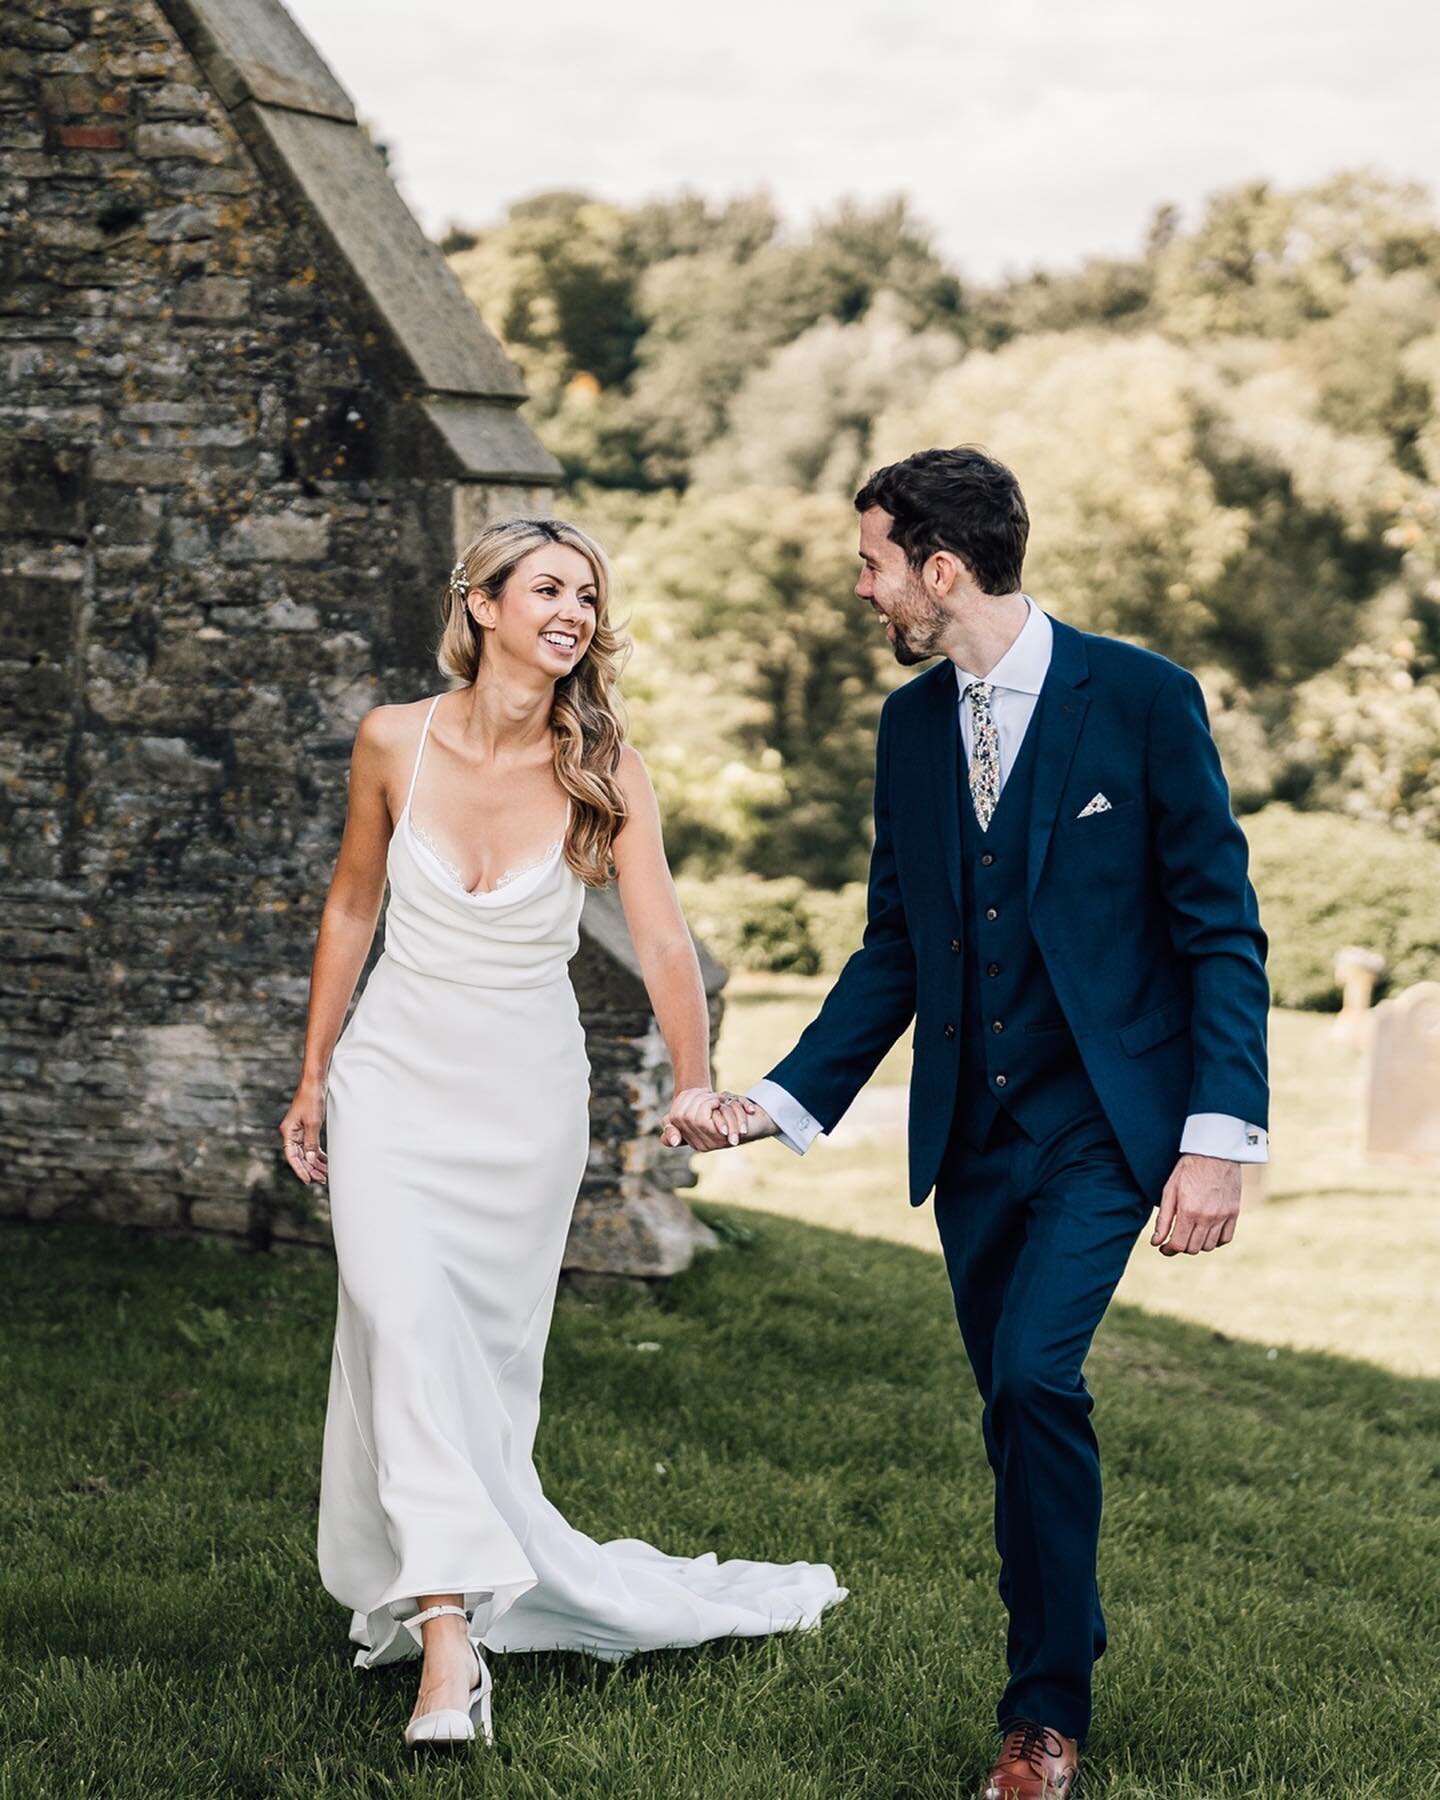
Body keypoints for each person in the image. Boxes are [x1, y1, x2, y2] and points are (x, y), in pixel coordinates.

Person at [669, 447, 1269, 1800]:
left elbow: (1221, 932)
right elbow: (896, 948)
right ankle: (1065, 1628)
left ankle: (1043, 1713)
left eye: (874, 563)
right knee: (1013, 1410)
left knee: (1036, 1377)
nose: (865, 590)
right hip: (972, 1138)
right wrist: (775, 1101)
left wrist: (1217, 1138)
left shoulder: (1144, 698)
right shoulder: (907, 728)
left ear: (942, 569)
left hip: (1112, 1124)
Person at [280, 516, 845, 1755]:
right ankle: (444, 1647)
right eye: (549, 587)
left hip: (523, 1105)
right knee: (399, 1325)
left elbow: (658, 939)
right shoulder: (393, 741)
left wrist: (696, 1082)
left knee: (477, 1372)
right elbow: (349, 910)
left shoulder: (604, 762)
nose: (575, 610)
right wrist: (314, 1075)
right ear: (479, 603)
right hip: (392, 1088)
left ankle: (465, 1590)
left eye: (588, 594)